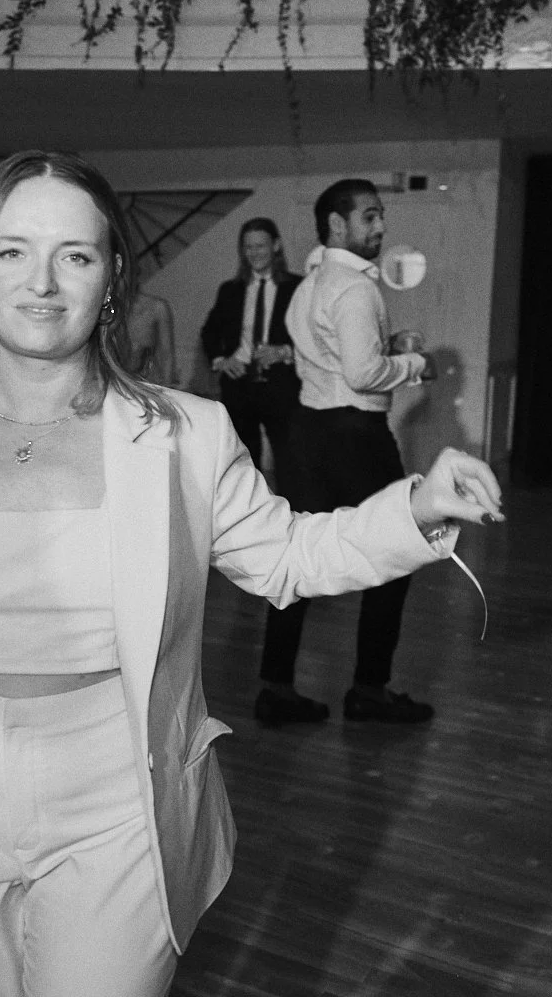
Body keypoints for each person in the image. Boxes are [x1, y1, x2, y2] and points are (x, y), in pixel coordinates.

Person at [0, 150, 503, 997]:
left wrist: (417, 507)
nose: (42, 281)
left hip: (121, 799)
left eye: (74, 254)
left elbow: (288, 556)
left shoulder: (184, 433)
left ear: (110, 279)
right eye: (12, 251)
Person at [255, 179, 437, 728]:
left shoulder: (311, 282)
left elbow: (333, 358)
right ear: (338, 224)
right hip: (355, 436)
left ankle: (276, 689)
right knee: (397, 555)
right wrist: (414, 364)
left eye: (381, 217)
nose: (380, 227)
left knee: (300, 561)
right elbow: (361, 374)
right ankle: (369, 691)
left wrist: (385, 349)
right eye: (370, 216)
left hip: (308, 433)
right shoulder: (355, 288)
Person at [200, 216, 303, 481]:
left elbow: (311, 335)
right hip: (239, 384)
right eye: (248, 247)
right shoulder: (231, 290)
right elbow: (209, 332)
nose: (254, 253)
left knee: (290, 459)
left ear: (276, 246)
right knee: (243, 464)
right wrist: (221, 359)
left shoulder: (297, 287)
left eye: (261, 246)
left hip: (282, 384)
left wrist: (284, 352)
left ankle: (290, 517)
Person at [125, 289, 178, 386]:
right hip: (115, 384)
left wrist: (167, 392)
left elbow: (167, 355)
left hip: (147, 385)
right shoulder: (107, 311)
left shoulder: (157, 308)